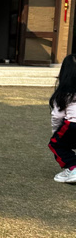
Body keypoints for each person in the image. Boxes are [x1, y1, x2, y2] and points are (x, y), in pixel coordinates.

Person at [49, 52, 76, 183]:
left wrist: (56, 133)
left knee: (56, 144)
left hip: (73, 124)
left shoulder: (64, 94)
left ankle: (73, 167)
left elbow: (57, 116)